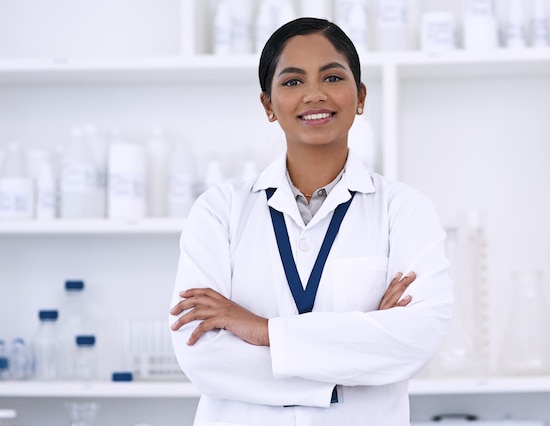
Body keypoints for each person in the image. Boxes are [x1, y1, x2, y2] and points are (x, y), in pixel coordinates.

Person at [169, 17, 453, 426]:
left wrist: (262, 331)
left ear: (361, 96)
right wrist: (358, 353)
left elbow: (418, 337)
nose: (314, 94)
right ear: (268, 105)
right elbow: (203, 356)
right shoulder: (219, 211)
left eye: (332, 77)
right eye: (292, 82)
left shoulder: (404, 210)